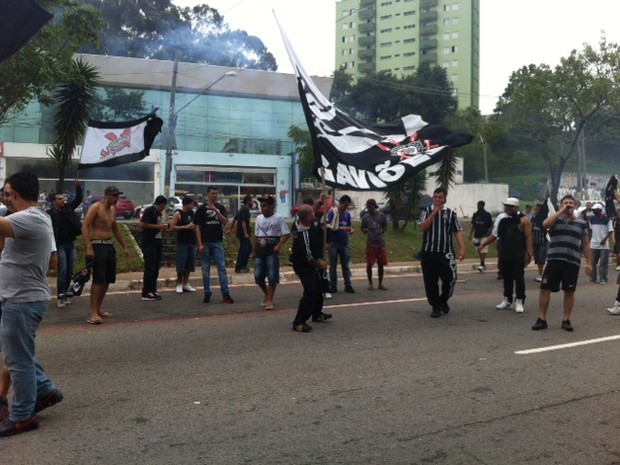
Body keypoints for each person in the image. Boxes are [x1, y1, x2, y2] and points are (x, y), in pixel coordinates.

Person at [0, 172, 63, 436]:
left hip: (23, 299)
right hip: (21, 297)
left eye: (6, 193)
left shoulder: (29, 218)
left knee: (18, 361)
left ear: (15, 193)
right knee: (19, 354)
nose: (5, 199)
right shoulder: (35, 219)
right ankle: (45, 390)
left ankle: (23, 415)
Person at [532, 195, 592, 332]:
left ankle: (566, 319)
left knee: (569, 290)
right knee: (545, 288)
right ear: (561, 205)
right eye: (565, 202)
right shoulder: (555, 220)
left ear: (576, 206)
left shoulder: (581, 223)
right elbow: (545, 224)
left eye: (571, 202)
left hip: (572, 261)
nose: (569, 204)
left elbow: (586, 244)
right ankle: (542, 319)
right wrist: (561, 211)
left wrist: (589, 263)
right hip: (554, 259)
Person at [81, 186, 131, 325]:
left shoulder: (113, 210)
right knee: (98, 279)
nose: (116, 199)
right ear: (107, 195)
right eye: (114, 196)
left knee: (107, 279)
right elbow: (84, 226)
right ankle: (92, 312)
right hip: (97, 245)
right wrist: (89, 246)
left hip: (109, 245)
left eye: (117, 196)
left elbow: (116, 229)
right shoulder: (96, 207)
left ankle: (98, 308)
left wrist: (125, 247)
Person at [478, 198, 533, 313]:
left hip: (518, 253)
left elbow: (528, 237)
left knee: (518, 277)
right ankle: (507, 298)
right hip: (505, 252)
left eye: (510, 206)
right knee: (506, 276)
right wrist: (483, 244)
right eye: (506, 206)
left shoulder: (523, 220)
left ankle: (519, 300)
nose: (507, 208)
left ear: (516, 208)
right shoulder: (502, 219)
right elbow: (494, 235)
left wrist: (529, 253)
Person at [418, 187, 466, 318]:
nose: (438, 199)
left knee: (451, 278)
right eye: (435, 197)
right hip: (429, 252)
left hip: (445, 252)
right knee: (430, 281)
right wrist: (433, 213)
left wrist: (462, 248)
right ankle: (436, 306)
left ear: (445, 199)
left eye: (440, 197)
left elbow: (457, 231)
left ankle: (443, 299)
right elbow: (422, 227)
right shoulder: (426, 211)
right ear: (433, 198)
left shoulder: (451, 214)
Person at [290, 205, 331, 332]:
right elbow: (307, 257)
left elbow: (306, 212)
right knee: (311, 290)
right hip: (303, 265)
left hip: (310, 262)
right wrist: (319, 264)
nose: (315, 215)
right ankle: (299, 322)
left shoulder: (305, 224)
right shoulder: (303, 234)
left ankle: (317, 313)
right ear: (308, 217)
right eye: (313, 213)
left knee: (319, 287)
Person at [194, 187, 234, 304]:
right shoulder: (201, 209)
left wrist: (216, 211)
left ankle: (225, 293)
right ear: (208, 194)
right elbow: (198, 228)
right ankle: (207, 293)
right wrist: (200, 244)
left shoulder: (220, 207)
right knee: (205, 270)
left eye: (216, 194)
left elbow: (225, 222)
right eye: (213, 193)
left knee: (222, 268)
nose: (215, 195)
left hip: (217, 242)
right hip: (205, 243)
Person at [47, 179, 83, 307]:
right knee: (62, 270)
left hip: (70, 244)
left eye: (63, 198)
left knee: (70, 270)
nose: (63, 200)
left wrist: (78, 187)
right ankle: (60, 296)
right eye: (60, 199)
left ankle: (66, 293)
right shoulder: (50, 214)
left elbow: (78, 199)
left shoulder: (68, 209)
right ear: (54, 202)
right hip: (59, 245)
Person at [251, 194, 290, 310]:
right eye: (261, 206)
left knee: (272, 276)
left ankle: (270, 300)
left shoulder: (278, 218)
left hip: (272, 250)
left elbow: (286, 234)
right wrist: (253, 251)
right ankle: (267, 293)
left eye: (265, 206)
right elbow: (256, 236)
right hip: (260, 250)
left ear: (272, 206)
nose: (262, 208)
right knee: (258, 276)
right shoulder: (258, 218)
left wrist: (279, 245)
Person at [139, 195, 168, 300]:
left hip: (157, 241)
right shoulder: (149, 211)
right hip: (149, 242)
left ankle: (153, 289)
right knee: (149, 268)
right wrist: (158, 227)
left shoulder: (159, 213)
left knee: (156, 268)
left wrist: (162, 227)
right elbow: (142, 224)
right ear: (162, 204)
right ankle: (146, 291)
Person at [327, 195, 355, 294]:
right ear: (341, 203)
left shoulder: (347, 214)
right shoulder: (333, 212)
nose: (346, 207)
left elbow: (349, 225)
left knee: (345, 265)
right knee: (333, 266)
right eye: (345, 205)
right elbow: (329, 226)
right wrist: (343, 228)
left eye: (347, 205)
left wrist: (350, 229)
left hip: (344, 242)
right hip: (334, 242)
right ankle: (333, 285)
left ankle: (348, 285)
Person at [170, 196, 197, 294]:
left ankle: (186, 283)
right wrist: (186, 227)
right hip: (182, 242)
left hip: (192, 241)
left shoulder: (192, 213)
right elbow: (172, 227)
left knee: (190, 264)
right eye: (191, 204)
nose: (192, 206)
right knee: (181, 264)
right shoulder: (178, 213)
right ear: (185, 204)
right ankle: (179, 283)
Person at [361, 198, 388, 290]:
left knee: (381, 264)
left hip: (380, 243)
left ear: (374, 206)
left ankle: (380, 283)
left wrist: (382, 230)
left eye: (370, 207)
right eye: (368, 207)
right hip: (371, 243)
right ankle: (370, 283)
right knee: (369, 264)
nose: (369, 209)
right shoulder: (365, 218)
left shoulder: (381, 216)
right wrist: (364, 230)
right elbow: (362, 228)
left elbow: (385, 227)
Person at [587, 203, 613, 284]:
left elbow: (610, 230)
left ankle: (603, 278)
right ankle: (592, 278)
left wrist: (605, 239)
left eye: (595, 210)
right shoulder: (591, 219)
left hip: (604, 245)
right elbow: (591, 230)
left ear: (600, 210)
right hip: (594, 244)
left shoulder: (607, 219)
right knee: (593, 262)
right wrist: (591, 239)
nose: (593, 211)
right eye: (593, 210)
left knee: (603, 263)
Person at [469, 200, 493, 272]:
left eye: (479, 205)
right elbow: (473, 225)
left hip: (485, 235)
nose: (478, 207)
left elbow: (491, 225)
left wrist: (489, 232)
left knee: (483, 249)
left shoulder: (487, 215)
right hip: (477, 235)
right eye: (477, 205)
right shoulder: (475, 215)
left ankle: (482, 264)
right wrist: (470, 234)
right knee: (478, 249)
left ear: (483, 206)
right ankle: (482, 262)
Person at [233, 195, 253, 273]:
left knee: (248, 249)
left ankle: (243, 266)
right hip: (243, 234)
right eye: (251, 201)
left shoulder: (241, 209)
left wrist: (229, 229)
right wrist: (245, 233)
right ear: (248, 201)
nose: (252, 203)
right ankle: (240, 267)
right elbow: (243, 222)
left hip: (241, 234)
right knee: (244, 250)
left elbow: (235, 219)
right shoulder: (245, 209)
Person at [531, 202, 548, 282]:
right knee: (537, 259)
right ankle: (540, 274)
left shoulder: (545, 219)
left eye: (537, 209)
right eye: (535, 209)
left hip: (542, 242)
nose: (535, 211)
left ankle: (541, 275)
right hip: (535, 242)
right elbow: (530, 229)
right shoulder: (533, 219)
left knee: (541, 259)